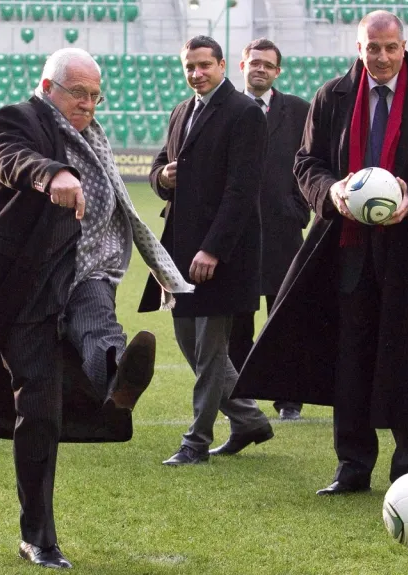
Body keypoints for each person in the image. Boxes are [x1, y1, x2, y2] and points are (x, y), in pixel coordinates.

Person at [0, 48, 191, 569]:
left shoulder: (94, 135)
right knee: (38, 410)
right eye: (80, 94)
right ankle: (38, 536)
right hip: (27, 286)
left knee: (99, 329)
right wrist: (53, 176)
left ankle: (119, 379)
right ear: (49, 87)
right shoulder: (14, 119)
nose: (89, 104)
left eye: (96, 96)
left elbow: (117, 203)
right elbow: (11, 160)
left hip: (89, 271)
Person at [232, 11, 408, 494]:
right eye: (372, 48)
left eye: (390, 48)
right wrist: (332, 193)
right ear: (359, 47)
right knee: (351, 357)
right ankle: (352, 465)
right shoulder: (332, 96)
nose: (382, 58)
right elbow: (306, 163)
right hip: (347, 252)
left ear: (404, 45)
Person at [144, 35, 273, 466]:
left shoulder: (245, 113)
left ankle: (195, 443)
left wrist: (213, 250)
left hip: (222, 254)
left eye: (204, 65)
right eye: (189, 67)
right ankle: (249, 419)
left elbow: (242, 190)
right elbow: (157, 167)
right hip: (179, 250)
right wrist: (163, 175)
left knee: (210, 349)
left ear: (221, 65)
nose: (196, 73)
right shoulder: (182, 110)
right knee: (189, 342)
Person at [230, 37, 311, 421]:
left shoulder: (298, 110)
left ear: (278, 72)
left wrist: (298, 207)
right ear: (241, 66)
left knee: (284, 318)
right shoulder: (226, 107)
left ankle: (288, 399)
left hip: (283, 232)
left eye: (268, 64)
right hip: (236, 234)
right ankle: (240, 399)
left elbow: (315, 159)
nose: (260, 68)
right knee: (238, 321)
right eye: (254, 62)